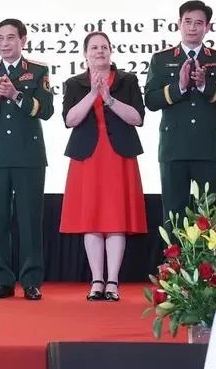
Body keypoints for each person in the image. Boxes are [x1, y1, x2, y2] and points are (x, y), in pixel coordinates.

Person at [0, 18, 54, 301]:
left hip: (28, 156)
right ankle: (2, 279)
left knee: (30, 220)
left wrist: (16, 95)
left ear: (23, 40)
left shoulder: (38, 71)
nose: (4, 44)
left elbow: (46, 110)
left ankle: (31, 280)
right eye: (0, 38)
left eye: (10, 38)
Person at [60, 32, 147, 302]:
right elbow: (70, 120)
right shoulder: (74, 83)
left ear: (111, 51)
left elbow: (137, 118)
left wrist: (109, 98)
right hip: (88, 157)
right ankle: (96, 281)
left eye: (104, 47)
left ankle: (112, 282)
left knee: (116, 220)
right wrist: (93, 94)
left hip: (118, 156)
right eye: (94, 47)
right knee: (92, 220)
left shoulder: (127, 80)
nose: (100, 51)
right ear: (85, 53)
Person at [144, 0, 216, 224]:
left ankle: (205, 261)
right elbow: (150, 100)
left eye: (198, 23)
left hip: (208, 147)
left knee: (207, 213)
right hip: (173, 148)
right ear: (179, 24)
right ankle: (173, 260)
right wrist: (180, 87)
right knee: (173, 214)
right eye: (187, 22)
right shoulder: (161, 59)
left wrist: (206, 86)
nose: (192, 27)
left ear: (208, 27)